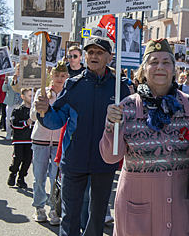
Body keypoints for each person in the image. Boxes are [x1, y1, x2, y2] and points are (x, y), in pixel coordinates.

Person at [100, 39, 189, 235]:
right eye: (153, 62)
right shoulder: (126, 107)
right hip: (136, 211)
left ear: (174, 69)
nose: (160, 67)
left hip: (179, 210)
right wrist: (111, 125)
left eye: (166, 62)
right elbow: (110, 157)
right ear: (144, 69)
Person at [34, 37, 131, 236]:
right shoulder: (73, 85)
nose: (94, 56)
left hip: (104, 161)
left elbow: (130, 124)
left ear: (109, 58)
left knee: (96, 217)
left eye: (99, 52)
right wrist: (44, 111)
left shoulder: (119, 88)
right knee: (69, 216)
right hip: (74, 160)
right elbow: (57, 120)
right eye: (90, 52)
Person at [29, 62, 68, 225]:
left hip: (59, 143)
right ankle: (39, 207)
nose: (59, 79)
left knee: (55, 177)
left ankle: (53, 208)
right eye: (57, 75)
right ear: (51, 76)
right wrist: (39, 107)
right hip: (40, 140)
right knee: (39, 176)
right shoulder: (42, 92)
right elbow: (32, 117)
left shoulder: (68, 94)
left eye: (63, 75)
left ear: (67, 77)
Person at [8, 88, 33, 189]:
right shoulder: (18, 110)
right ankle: (13, 172)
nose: (31, 98)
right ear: (23, 97)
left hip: (30, 139)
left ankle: (21, 177)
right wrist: (25, 123)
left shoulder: (34, 111)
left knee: (27, 160)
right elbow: (13, 124)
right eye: (29, 96)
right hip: (19, 139)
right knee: (18, 157)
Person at [2, 72, 22, 141]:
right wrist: (6, 82)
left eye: (20, 69)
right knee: (8, 119)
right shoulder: (9, 79)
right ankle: (8, 133)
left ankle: (15, 133)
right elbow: (4, 89)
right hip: (11, 103)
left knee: (18, 119)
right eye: (17, 69)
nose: (19, 70)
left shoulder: (24, 80)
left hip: (20, 103)